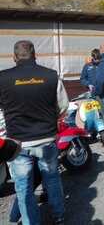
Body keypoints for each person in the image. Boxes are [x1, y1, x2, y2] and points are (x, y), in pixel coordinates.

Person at [0, 40, 68, 225]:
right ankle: (59, 216)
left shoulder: (3, 78)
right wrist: (48, 119)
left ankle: (32, 222)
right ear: (34, 55)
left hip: (18, 143)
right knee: (52, 179)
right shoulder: (51, 75)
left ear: (14, 57)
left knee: (23, 187)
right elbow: (63, 107)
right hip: (47, 139)